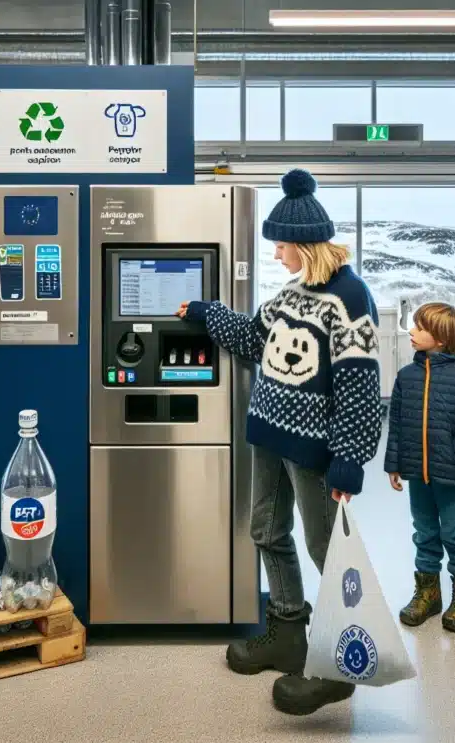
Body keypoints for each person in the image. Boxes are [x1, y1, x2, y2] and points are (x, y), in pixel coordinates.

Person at [175, 167, 383, 716]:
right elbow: (252, 338)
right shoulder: (291, 293)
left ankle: (344, 661)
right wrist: (206, 313)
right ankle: (289, 631)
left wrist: (350, 460)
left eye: (281, 247)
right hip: (268, 434)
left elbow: (361, 386)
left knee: (327, 551)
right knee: (267, 530)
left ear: (303, 245)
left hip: (315, 450)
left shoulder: (350, 299)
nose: (276, 256)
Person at [384, 302, 455, 631]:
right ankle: (428, 594)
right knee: (425, 532)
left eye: (419, 328)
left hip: (451, 474)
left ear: (442, 339)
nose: (412, 333)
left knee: (454, 534)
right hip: (417, 473)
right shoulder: (406, 377)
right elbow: (397, 424)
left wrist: (454, 453)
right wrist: (395, 464)